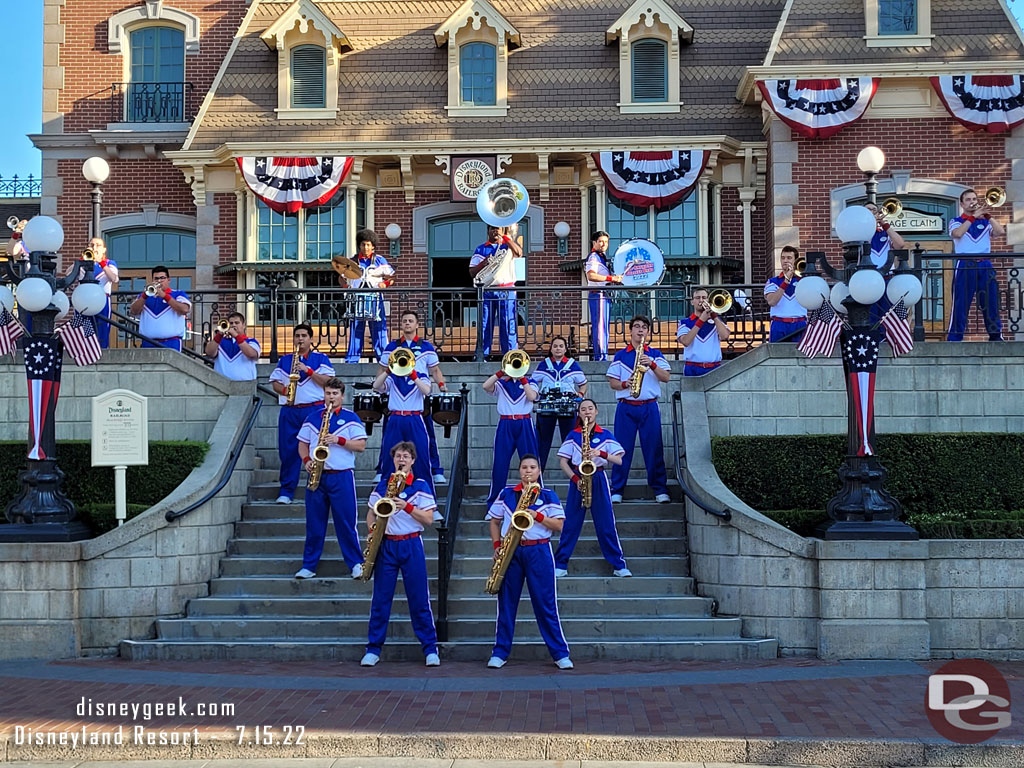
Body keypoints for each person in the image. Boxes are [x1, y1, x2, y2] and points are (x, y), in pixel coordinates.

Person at [486, 454, 572, 670]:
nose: (528, 471)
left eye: (532, 467)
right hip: (511, 551)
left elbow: (561, 526)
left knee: (546, 604)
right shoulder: (507, 494)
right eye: (524, 467)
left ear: (539, 471)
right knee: (506, 603)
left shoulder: (548, 495)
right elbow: (495, 522)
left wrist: (538, 516)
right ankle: (500, 652)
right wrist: (497, 546)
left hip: (539, 550)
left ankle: (560, 653)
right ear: (519, 471)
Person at [361, 441, 440, 668]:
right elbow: (370, 513)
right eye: (398, 456)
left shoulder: (422, 485)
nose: (401, 460)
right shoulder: (384, 484)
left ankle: (430, 648)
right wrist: (372, 531)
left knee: (419, 599)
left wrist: (405, 506)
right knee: (380, 599)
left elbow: (427, 519)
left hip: (411, 544)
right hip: (386, 545)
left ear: (413, 460)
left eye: (406, 456)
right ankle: (373, 648)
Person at [294, 377, 368, 580]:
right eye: (328, 393)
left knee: (346, 523)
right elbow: (302, 444)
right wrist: (307, 460)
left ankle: (355, 563)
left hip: (341, 476)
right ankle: (309, 565)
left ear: (342, 396)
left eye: (335, 394)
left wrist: (338, 440)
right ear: (323, 395)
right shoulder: (312, 418)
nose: (331, 397)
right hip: (317, 476)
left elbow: (361, 446)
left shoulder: (351, 418)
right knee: (314, 524)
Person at [554, 399, 628, 578]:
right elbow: (563, 461)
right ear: (578, 413)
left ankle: (619, 565)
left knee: (606, 524)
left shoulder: (606, 434)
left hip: (599, 477)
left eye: (590, 409)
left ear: (596, 411)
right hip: (578, 478)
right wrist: (574, 478)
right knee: (570, 523)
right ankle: (561, 564)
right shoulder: (573, 435)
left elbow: (619, 460)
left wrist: (600, 453)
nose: (587, 412)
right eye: (583, 409)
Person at [374, 310, 448, 485]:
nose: (407, 323)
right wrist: (382, 380)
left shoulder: (426, 346)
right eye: (404, 321)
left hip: (418, 393)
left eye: (410, 321)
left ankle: (435, 470)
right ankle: (382, 473)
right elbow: (382, 369)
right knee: (389, 441)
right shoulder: (392, 346)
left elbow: (435, 370)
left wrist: (442, 385)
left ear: (416, 325)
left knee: (426, 437)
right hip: (396, 393)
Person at [606, 315, 671, 504]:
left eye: (644, 327)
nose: (640, 330)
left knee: (654, 448)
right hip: (626, 407)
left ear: (648, 331)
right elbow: (612, 383)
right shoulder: (620, 355)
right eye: (636, 326)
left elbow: (666, 377)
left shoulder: (656, 354)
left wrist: (651, 363)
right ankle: (617, 489)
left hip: (649, 407)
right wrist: (627, 383)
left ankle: (659, 489)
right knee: (621, 449)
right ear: (631, 331)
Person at [269, 324, 336, 504]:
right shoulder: (285, 360)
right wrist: (285, 391)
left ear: (310, 339)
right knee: (288, 450)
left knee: (316, 449)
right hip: (290, 409)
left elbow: (329, 382)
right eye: (297, 335)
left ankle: (316, 488)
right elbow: (274, 382)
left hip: (313, 410)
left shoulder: (321, 359)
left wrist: (308, 370)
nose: (300, 339)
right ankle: (286, 490)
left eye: (304, 336)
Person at [947, 188, 1006, 342]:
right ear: (961, 203)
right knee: (961, 302)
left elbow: (1000, 232)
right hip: (966, 264)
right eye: (968, 200)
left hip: (985, 264)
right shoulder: (956, 221)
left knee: (991, 301)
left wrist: (988, 216)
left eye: (974, 199)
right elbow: (958, 234)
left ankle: (995, 335)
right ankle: (955, 337)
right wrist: (972, 217)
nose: (972, 202)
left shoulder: (985, 221)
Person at [372, 347, 434, 492]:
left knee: (422, 459)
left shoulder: (421, 376)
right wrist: (388, 370)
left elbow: (427, 391)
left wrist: (413, 375)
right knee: (389, 459)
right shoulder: (393, 378)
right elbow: (376, 386)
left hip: (414, 418)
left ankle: (428, 500)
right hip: (395, 418)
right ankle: (386, 497)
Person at [482, 358, 539, 506]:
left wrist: (522, 377)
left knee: (531, 461)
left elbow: (532, 397)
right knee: (500, 463)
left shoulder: (531, 382)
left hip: (524, 422)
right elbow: (485, 386)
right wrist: (501, 372)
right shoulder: (501, 383)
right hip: (505, 423)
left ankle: (535, 500)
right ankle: (494, 501)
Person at [531, 335, 587, 470]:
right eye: (555, 346)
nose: (558, 349)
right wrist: (535, 393)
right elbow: (532, 381)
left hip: (567, 406)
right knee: (543, 441)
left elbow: (583, 384)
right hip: (547, 406)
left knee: (570, 440)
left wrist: (579, 394)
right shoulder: (544, 364)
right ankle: (538, 476)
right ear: (550, 349)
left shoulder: (573, 364)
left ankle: (575, 474)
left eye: (561, 346)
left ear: (565, 349)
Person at [469, 224, 522, 357]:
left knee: (508, 324)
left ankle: (510, 356)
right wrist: (483, 263)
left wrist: (506, 237)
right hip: (488, 290)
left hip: (507, 290)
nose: (495, 231)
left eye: (497, 228)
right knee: (485, 324)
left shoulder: (507, 246)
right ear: (488, 231)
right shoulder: (481, 249)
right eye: (492, 228)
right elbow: (472, 272)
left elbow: (519, 253)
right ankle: (482, 356)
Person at [345, 229, 395, 363]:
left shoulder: (380, 260)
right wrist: (345, 285)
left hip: (375, 298)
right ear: (359, 246)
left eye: (368, 244)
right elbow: (342, 278)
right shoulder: (352, 261)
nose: (365, 247)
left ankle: (384, 359)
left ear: (373, 246)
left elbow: (391, 277)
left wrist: (385, 284)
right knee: (356, 330)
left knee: (379, 330)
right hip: (357, 298)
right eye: (363, 244)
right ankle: (352, 361)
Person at [128, 265, 191, 351]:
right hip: (148, 342)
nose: (159, 281)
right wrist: (144, 296)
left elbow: (184, 309)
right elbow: (133, 311)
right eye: (156, 279)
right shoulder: (144, 297)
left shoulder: (178, 294)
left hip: (171, 342)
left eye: (162, 278)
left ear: (168, 280)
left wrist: (165, 296)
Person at [865, 202, 907, 325]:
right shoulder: (860, 233)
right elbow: (864, 246)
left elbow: (900, 244)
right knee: (872, 314)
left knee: (887, 314)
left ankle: (885, 339)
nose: (872, 212)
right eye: (868, 210)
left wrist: (884, 224)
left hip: (887, 278)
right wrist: (871, 224)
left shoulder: (885, 233)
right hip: (869, 280)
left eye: (874, 210)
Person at [676, 288, 730, 376]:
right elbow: (686, 341)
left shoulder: (717, 322)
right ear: (692, 301)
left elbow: (724, 336)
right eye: (697, 298)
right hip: (693, 368)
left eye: (704, 297)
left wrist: (714, 316)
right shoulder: (685, 323)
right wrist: (701, 320)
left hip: (714, 368)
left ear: (708, 300)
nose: (701, 300)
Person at [585, 230, 621, 361]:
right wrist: (611, 278)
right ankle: (600, 357)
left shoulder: (601, 257)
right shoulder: (594, 257)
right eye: (600, 241)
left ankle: (602, 354)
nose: (603, 244)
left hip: (603, 295)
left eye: (606, 242)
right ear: (594, 242)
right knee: (600, 327)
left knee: (603, 327)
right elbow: (591, 275)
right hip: (598, 294)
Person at [763, 246, 807, 343]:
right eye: (783, 258)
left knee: (801, 357)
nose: (785, 261)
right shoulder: (773, 281)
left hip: (799, 324)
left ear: (796, 261)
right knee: (777, 357)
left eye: (789, 258)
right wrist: (785, 282)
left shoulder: (803, 281)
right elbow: (771, 301)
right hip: (779, 324)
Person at [205, 311, 261, 381]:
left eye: (237, 323)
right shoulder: (220, 342)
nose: (233, 325)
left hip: (245, 384)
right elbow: (209, 352)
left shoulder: (251, 342)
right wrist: (219, 335)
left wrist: (236, 336)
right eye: (231, 323)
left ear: (244, 325)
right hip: (221, 384)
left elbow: (251, 354)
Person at [87, 236, 118, 348]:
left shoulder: (110, 263)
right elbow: (68, 273)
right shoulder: (84, 263)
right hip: (84, 301)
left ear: (104, 249)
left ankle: (101, 353)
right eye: (91, 245)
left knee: (102, 331)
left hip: (102, 300)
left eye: (98, 245)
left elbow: (114, 278)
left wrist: (102, 263)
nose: (94, 247)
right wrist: (81, 261)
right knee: (84, 332)